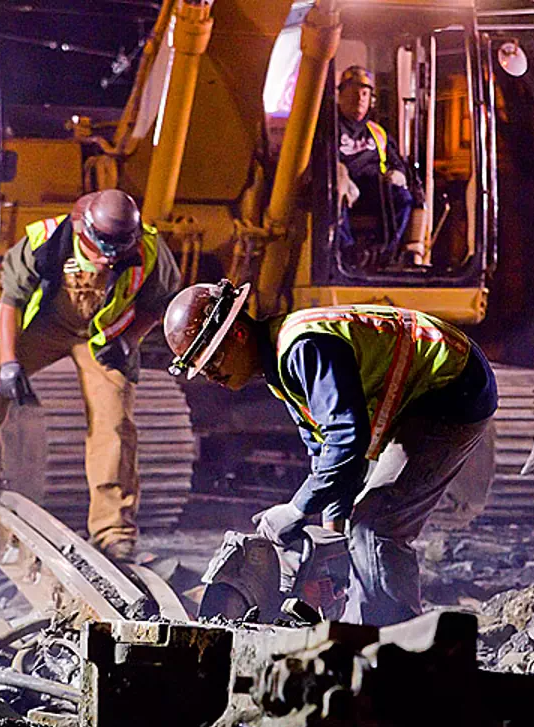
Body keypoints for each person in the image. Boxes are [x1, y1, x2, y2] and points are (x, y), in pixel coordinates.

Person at [163, 280, 498, 626]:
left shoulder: (303, 348)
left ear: (238, 333)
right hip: (426, 391)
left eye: (213, 359)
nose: (212, 375)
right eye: (202, 369)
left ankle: (392, 640)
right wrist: (332, 532)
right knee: (357, 525)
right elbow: (325, 451)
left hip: (452, 386)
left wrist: (296, 508)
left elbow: (347, 441)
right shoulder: (279, 364)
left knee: (375, 525)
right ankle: (365, 628)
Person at [0, 189, 182, 561]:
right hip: (46, 327)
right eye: (103, 248)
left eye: (119, 249)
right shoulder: (46, 239)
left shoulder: (149, 249)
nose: (109, 258)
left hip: (103, 339)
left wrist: (129, 340)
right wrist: (10, 361)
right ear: (84, 229)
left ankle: (113, 531)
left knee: (114, 424)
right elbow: (11, 302)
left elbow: (156, 304)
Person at [335, 65, 416, 260]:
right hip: (344, 191)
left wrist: (397, 175)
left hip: (375, 189)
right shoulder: (329, 129)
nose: (360, 98)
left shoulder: (377, 132)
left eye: (364, 93)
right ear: (341, 96)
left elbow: (397, 164)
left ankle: (383, 252)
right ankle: (348, 251)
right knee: (334, 193)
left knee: (403, 198)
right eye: (353, 92)